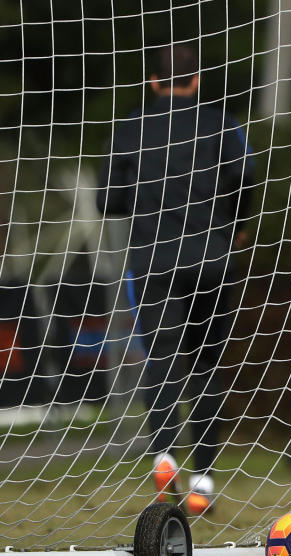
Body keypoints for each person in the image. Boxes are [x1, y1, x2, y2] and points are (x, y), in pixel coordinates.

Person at [97, 44, 255, 515]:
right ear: (198, 80)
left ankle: (165, 454)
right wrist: (236, 222)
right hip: (213, 258)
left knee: (161, 357)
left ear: (152, 82)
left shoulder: (130, 126)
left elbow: (106, 196)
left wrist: (145, 207)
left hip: (153, 261)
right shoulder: (221, 122)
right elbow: (247, 174)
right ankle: (203, 481)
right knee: (206, 366)